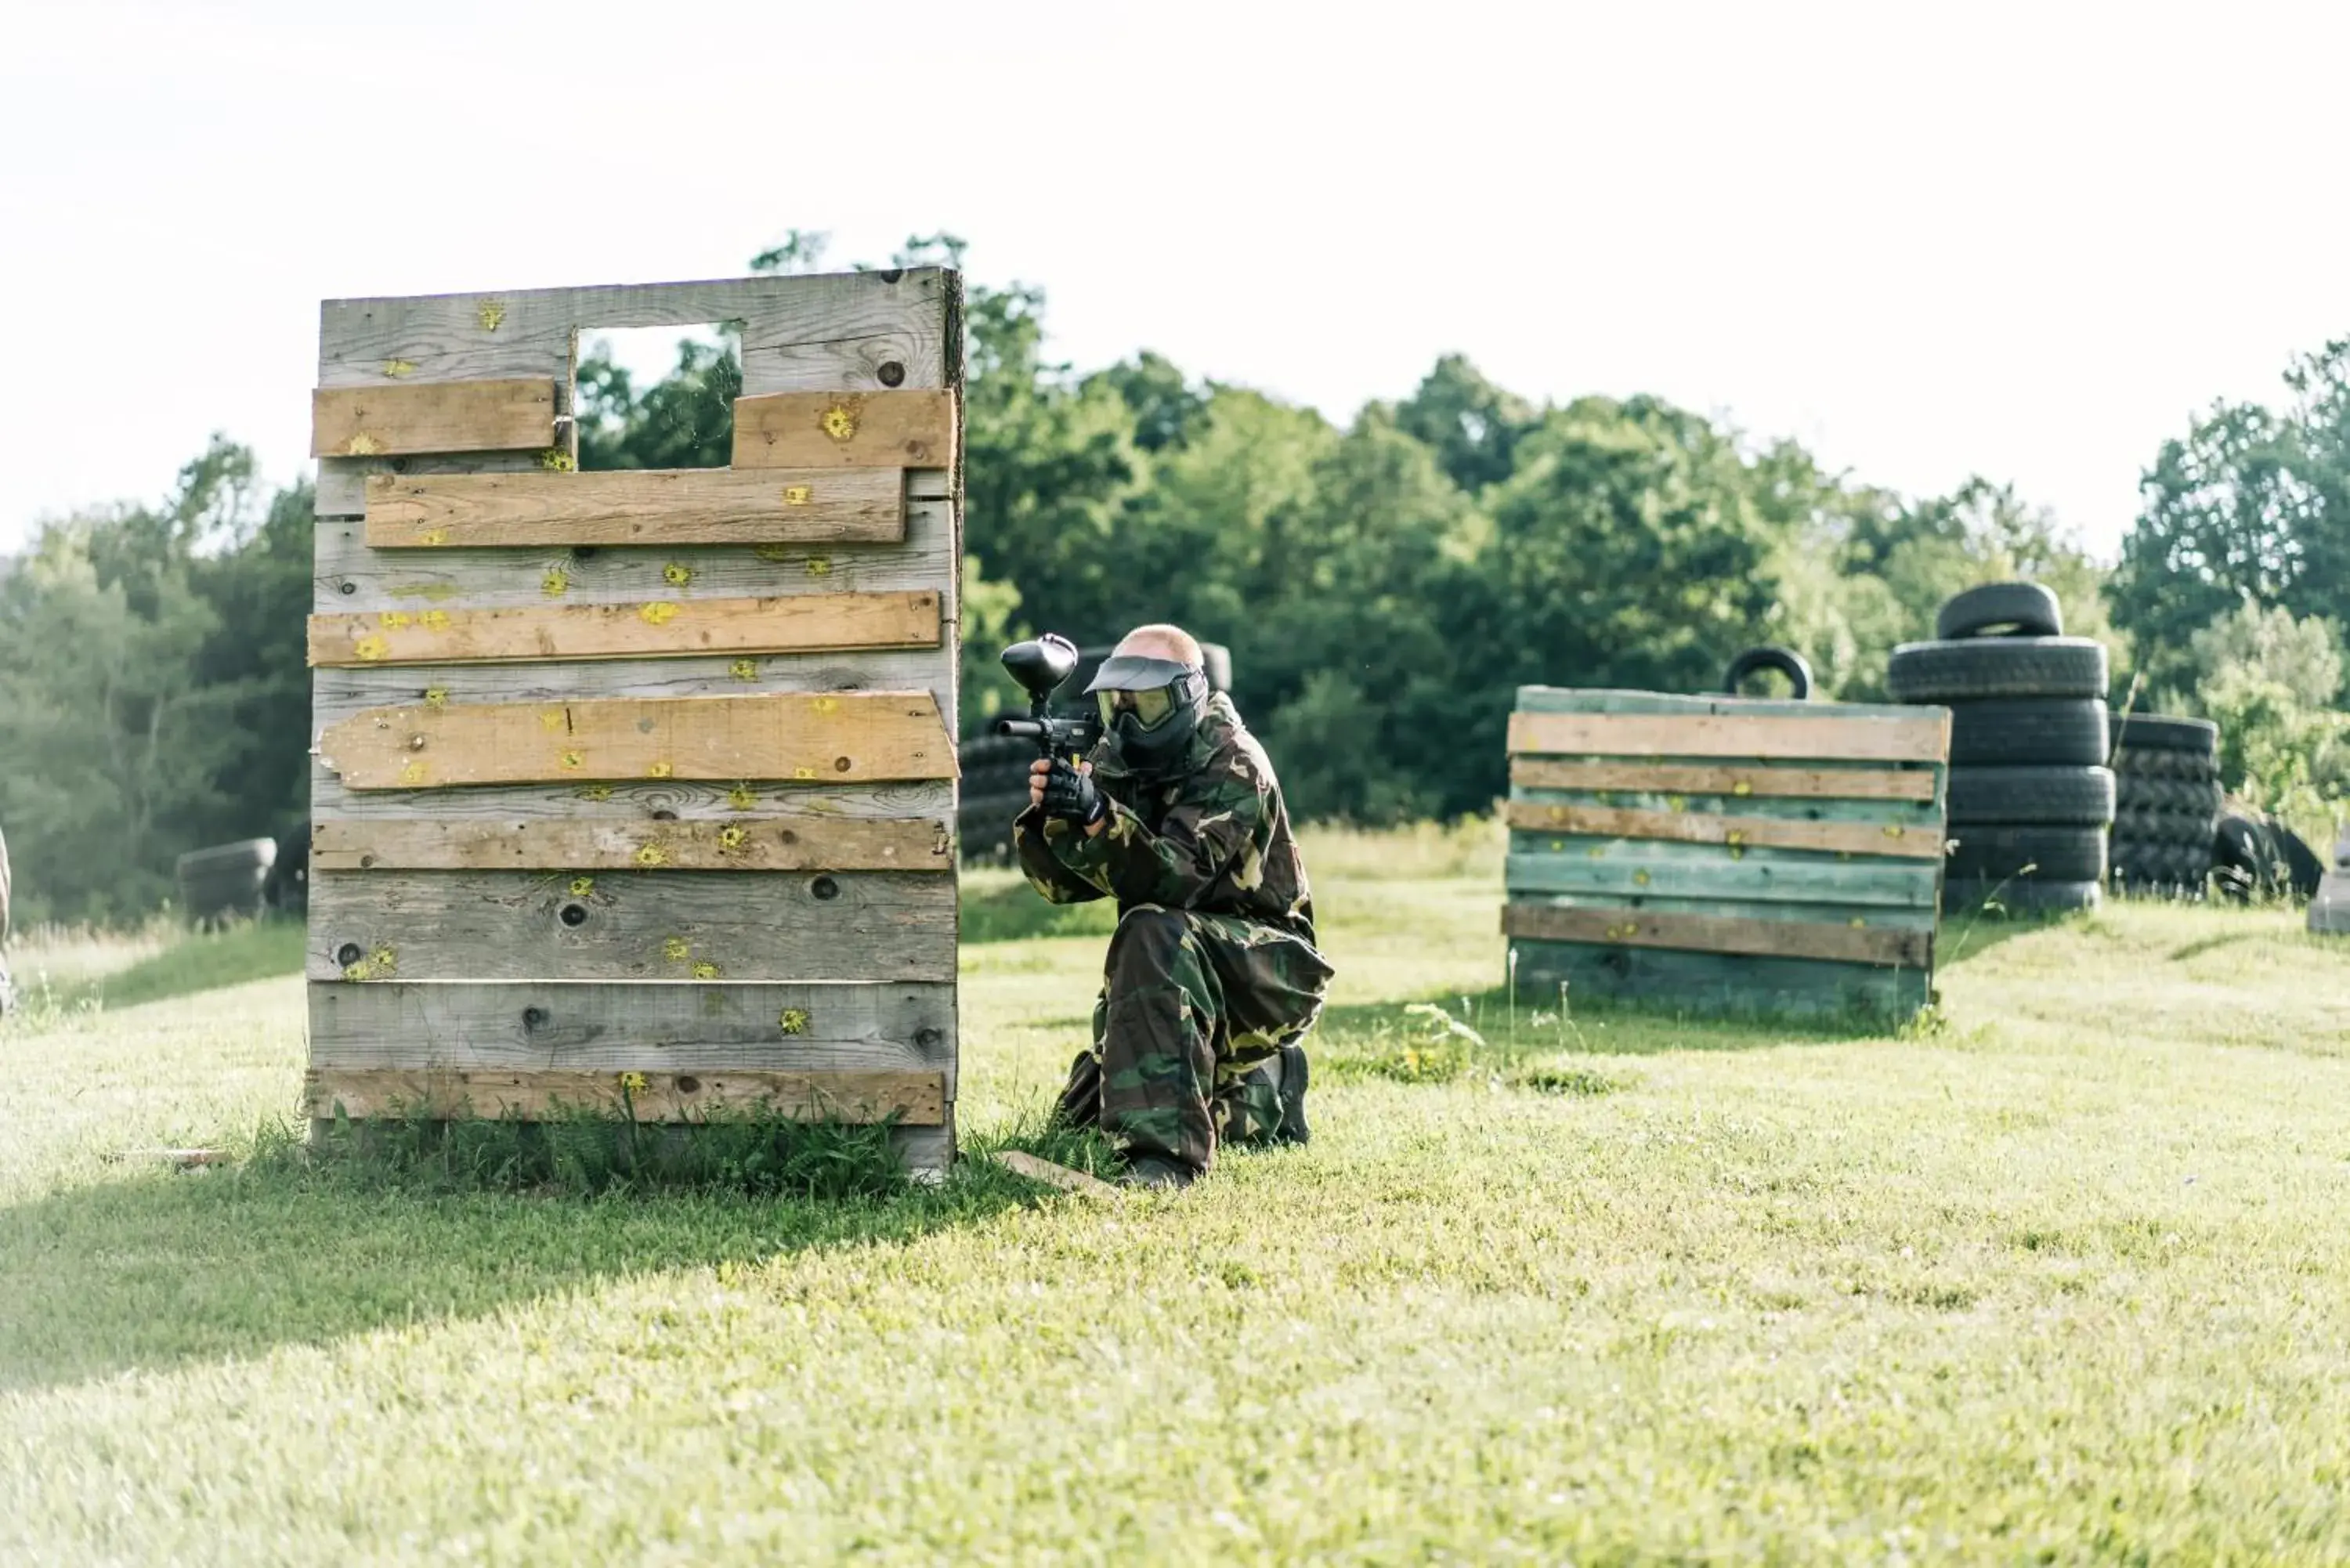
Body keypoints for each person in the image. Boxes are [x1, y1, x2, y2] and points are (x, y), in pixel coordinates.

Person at [1013, 623, 1333, 1188]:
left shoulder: (1234, 761)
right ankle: (1264, 1083)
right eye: (1119, 705)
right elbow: (1063, 887)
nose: (1132, 722)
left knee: (1152, 929)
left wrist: (1098, 817)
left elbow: (1175, 876)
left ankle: (1165, 1161)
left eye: (1149, 703)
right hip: (1180, 964)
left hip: (1272, 972)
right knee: (1086, 1119)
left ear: (1187, 694)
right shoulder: (1120, 754)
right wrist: (1056, 816)